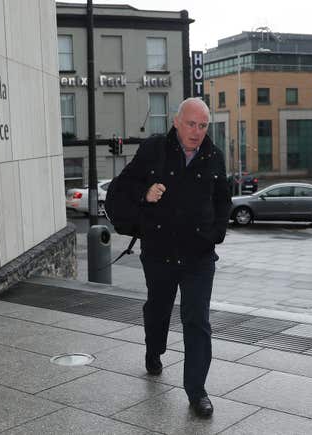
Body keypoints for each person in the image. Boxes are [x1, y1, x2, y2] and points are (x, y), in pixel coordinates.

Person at [118, 97, 231, 417]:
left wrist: (215, 235)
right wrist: (145, 194)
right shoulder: (153, 150)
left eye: (203, 125)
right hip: (159, 253)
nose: (197, 131)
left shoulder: (213, 157)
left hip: (198, 257)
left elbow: (224, 201)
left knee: (197, 322)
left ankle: (197, 392)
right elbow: (123, 187)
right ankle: (154, 351)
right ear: (176, 121)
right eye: (191, 124)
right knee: (158, 310)